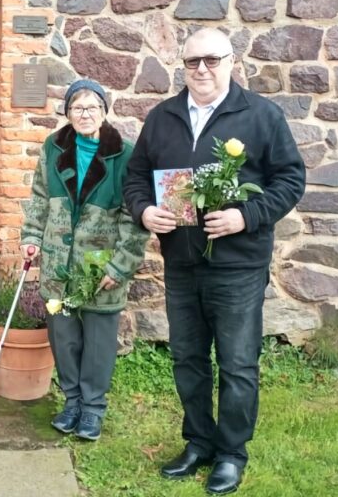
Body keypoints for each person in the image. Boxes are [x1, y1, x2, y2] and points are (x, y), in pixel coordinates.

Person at [123, 28, 305, 495]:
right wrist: (145, 211)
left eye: (211, 60)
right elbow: (136, 176)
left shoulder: (260, 115)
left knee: (238, 362)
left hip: (237, 265)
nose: (201, 69)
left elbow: (290, 179)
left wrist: (246, 216)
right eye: (191, 62)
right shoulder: (162, 117)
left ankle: (231, 454)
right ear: (181, 66)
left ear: (231, 60)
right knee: (187, 358)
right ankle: (199, 442)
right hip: (182, 262)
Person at [19, 79, 149, 441]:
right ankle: (72, 401)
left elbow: (133, 215)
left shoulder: (124, 153)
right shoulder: (53, 146)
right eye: (77, 107)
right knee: (63, 337)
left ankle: (93, 409)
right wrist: (31, 237)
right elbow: (40, 196)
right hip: (59, 262)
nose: (85, 114)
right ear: (67, 113)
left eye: (93, 107)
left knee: (97, 341)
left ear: (105, 112)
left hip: (101, 265)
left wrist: (120, 265)